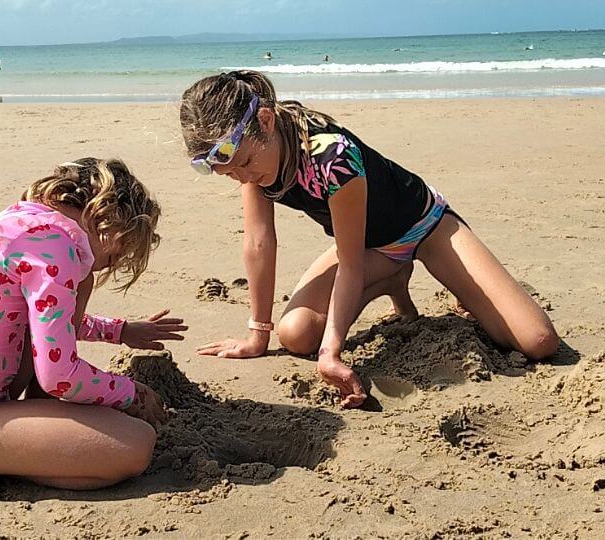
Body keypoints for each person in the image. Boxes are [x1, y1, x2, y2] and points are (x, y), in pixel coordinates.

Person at [180, 71, 558, 408]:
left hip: (425, 226)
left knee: (538, 341)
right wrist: (257, 335)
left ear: (264, 121)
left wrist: (331, 353)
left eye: (243, 163)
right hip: (367, 246)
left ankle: (432, 276)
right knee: (295, 334)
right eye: (228, 173)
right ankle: (393, 277)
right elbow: (259, 243)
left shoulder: (332, 156)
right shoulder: (254, 166)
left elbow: (350, 264)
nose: (242, 177)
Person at [0, 157, 184, 489]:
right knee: (134, 445)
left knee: (82, 283)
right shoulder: (57, 249)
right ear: (108, 221)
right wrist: (132, 394)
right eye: (120, 252)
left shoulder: (31, 225)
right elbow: (59, 376)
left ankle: (27, 437)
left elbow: (44, 318)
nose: (111, 265)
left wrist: (120, 331)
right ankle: (11, 453)